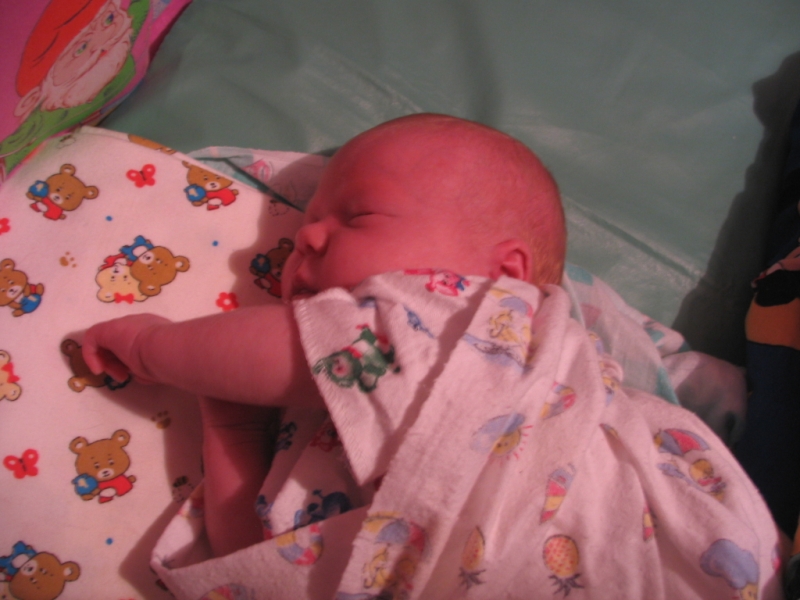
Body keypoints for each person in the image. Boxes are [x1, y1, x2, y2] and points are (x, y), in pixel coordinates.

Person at [82, 114, 783, 599]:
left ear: (506, 277)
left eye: (358, 216)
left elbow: (291, 351)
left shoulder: (474, 322)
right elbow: (256, 566)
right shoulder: (318, 417)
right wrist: (232, 432)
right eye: (304, 226)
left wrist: (153, 346)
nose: (308, 239)